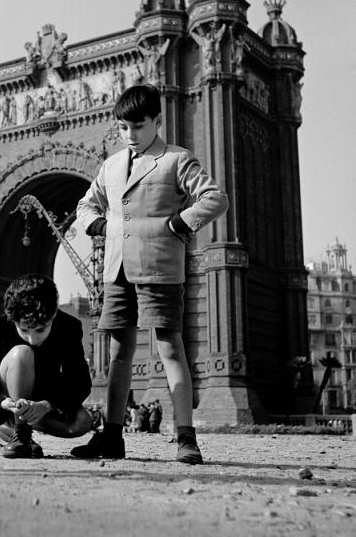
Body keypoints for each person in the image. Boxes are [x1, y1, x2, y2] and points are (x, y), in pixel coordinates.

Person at [71, 84, 228, 464]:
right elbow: (85, 205)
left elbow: (214, 197)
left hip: (159, 267)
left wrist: (179, 224)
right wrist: (97, 227)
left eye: (138, 127)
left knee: (170, 348)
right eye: (123, 127)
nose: (130, 135)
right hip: (118, 270)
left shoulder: (176, 159)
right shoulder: (110, 166)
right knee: (118, 353)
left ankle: (186, 438)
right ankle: (112, 436)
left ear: (158, 121)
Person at [0, 273, 92, 459]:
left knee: (82, 422)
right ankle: (21, 435)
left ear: (54, 313)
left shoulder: (69, 327)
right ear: (12, 319)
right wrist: (2, 402)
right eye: (24, 330)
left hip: (43, 400)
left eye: (41, 329)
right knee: (22, 352)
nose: (33, 339)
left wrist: (47, 405)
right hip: (9, 398)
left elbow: (80, 381)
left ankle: (13, 428)